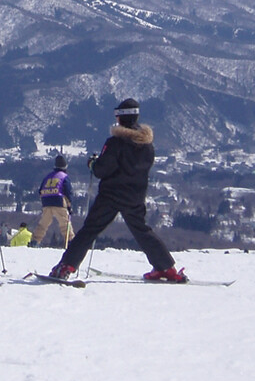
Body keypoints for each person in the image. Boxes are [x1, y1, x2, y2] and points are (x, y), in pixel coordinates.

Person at [49, 98, 187, 282]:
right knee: (141, 230)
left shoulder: (116, 142)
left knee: (90, 229)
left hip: (111, 195)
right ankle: (167, 268)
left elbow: (101, 170)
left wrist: (93, 163)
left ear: (120, 118)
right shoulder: (147, 145)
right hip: (135, 195)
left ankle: (67, 266)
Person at [30, 154, 74, 247]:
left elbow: (40, 190)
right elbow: (68, 192)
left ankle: (35, 241)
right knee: (64, 224)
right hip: (58, 201)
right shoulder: (64, 177)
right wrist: (69, 205)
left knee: (43, 224)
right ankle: (70, 242)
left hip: (46, 201)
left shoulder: (48, 176)